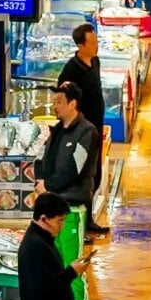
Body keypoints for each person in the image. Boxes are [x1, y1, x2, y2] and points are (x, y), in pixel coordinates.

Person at [55, 23, 110, 238]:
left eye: (96, 41)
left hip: (96, 128)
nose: (96, 46)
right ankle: (78, 224)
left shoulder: (95, 62)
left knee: (94, 174)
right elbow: (62, 98)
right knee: (80, 176)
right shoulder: (71, 69)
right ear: (80, 45)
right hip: (81, 132)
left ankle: (89, 220)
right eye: (92, 43)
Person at [35, 81, 100, 212]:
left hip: (73, 200)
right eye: (54, 102)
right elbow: (40, 157)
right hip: (51, 197)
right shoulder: (56, 130)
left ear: (72, 104)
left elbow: (74, 167)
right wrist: (40, 181)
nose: (55, 106)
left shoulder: (87, 131)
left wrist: (48, 185)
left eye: (59, 102)